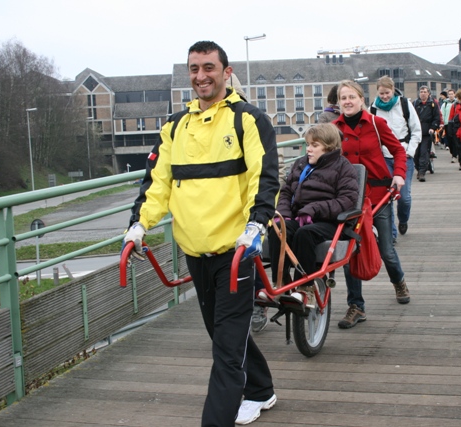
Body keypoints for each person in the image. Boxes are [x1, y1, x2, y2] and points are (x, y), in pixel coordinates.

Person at [123, 41, 279, 427]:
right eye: (194, 69)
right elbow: (157, 184)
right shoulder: (175, 127)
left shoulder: (248, 120)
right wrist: (138, 225)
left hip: (235, 253)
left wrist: (256, 226)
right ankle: (260, 390)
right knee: (221, 333)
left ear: (226, 72)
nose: (200, 76)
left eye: (209, 67)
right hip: (195, 251)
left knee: (226, 351)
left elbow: (265, 178)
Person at [333, 80, 410, 329]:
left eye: (351, 97)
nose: (347, 101)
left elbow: (398, 150)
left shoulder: (377, 124)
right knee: (349, 253)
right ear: (338, 102)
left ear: (361, 99)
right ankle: (356, 306)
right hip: (350, 200)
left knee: (386, 249)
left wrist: (399, 174)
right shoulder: (334, 129)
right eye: (343, 98)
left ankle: (398, 281)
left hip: (379, 195)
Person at [268, 123, 358, 308]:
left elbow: (347, 200)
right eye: (308, 144)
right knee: (277, 230)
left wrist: (315, 209)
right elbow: (286, 191)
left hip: (328, 222)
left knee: (304, 234)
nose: (308, 149)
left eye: (314, 145)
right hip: (298, 216)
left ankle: (305, 286)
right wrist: (283, 214)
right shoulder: (301, 164)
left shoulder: (344, 168)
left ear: (329, 147)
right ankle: (282, 282)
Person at [370, 76, 421, 239]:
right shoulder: (373, 108)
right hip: (383, 156)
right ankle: (391, 233)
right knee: (386, 196)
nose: (384, 96)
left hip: (403, 153)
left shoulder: (405, 104)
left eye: (387, 93)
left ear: (393, 90)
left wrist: (410, 151)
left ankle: (403, 219)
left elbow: (416, 130)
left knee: (404, 197)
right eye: (381, 93)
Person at [412, 86, 441, 182]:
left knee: (424, 153)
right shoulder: (415, 104)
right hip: (416, 133)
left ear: (428, 93)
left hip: (427, 132)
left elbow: (436, 117)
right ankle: (419, 168)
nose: (423, 93)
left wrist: (433, 128)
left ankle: (422, 172)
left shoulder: (433, 104)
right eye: (421, 92)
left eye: (424, 92)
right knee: (416, 154)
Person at [441, 89, 459, 164]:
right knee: (449, 139)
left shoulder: (457, 103)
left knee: (455, 139)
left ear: (454, 95)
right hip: (447, 123)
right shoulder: (445, 103)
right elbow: (442, 113)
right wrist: (442, 123)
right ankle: (452, 152)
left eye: (452, 94)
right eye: (449, 94)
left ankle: (455, 155)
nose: (451, 95)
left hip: (455, 123)